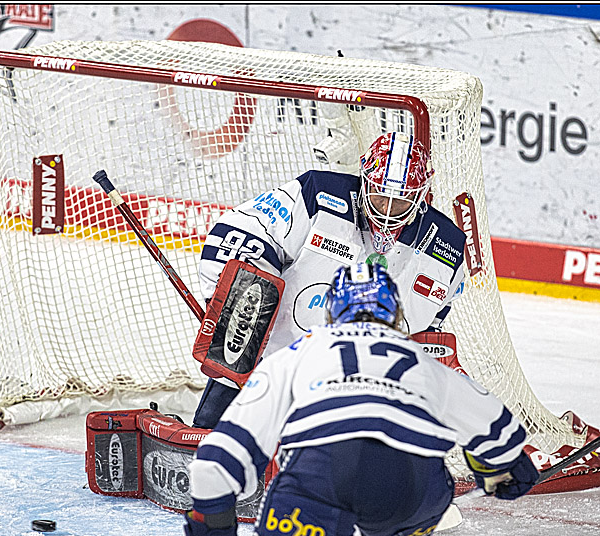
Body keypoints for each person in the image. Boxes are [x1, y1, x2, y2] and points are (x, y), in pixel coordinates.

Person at [178, 262, 539, 536]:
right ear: (397, 315)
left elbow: (218, 458)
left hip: (324, 469)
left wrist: (213, 530)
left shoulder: (301, 352)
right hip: (415, 485)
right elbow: (502, 433)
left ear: (330, 312)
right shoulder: (423, 362)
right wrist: (503, 470)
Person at [192, 131, 468, 429]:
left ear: (421, 194)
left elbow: (428, 328)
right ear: (364, 178)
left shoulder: (447, 249)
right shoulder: (318, 195)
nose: (387, 210)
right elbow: (240, 230)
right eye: (379, 194)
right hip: (263, 368)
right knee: (212, 445)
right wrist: (234, 303)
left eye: (400, 200)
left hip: (345, 397)